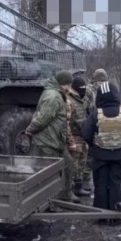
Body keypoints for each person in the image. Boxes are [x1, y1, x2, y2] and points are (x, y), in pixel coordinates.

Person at [82, 82, 121, 215]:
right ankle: (116, 214)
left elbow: (86, 134)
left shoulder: (95, 114)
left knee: (100, 184)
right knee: (115, 183)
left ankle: (100, 214)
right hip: (118, 155)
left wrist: (94, 146)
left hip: (100, 155)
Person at [25, 70, 80, 203]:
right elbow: (43, 118)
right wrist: (30, 129)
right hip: (47, 141)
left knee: (69, 165)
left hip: (56, 140)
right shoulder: (53, 96)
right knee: (48, 174)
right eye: (68, 85)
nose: (69, 89)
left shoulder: (57, 93)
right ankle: (47, 201)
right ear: (62, 83)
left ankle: (65, 194)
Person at [67, 76, 92, 197]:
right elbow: (66, 122)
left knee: (82, 162)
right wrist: (70, 140)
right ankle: (69, 189)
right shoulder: (69, 100)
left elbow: (88, 113)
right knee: (73, 163)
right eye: (81, 88)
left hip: (82, 135)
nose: (84, 90)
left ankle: (78, 187)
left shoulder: (84, 99)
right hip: (73, 135)